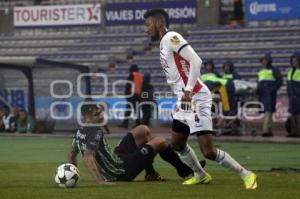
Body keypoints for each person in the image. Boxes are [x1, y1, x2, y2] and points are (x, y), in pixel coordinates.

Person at [143, 9, 257, 189]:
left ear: (159, 23)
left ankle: (247, 174)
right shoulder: (164, 44)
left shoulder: (171, 37)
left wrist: (188, 91)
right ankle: (200, 174)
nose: (146, 29)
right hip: (185, 100)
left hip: (195, 97)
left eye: (148, 24)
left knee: (208, 151)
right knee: (177, 144)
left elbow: (196, 61)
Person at [68, 104, 206, 184]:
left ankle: (150, 173)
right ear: (88, 116)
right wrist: (99, 181)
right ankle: (183, 170)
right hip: (121, 171)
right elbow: (88, 156)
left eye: (101, 113)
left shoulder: (79, 132)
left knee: (143, 130)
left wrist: (74, 173)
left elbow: (72, 153)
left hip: (117, 159)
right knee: (161, 141)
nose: (102, 116)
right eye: (97, 114)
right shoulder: (96, 132)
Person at [257, 53, 282, 137]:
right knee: (267, 111)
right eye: (262, 61)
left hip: (269, 94)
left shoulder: (274, 70)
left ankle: (265, 130)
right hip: (262, 94)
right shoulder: (261, 71)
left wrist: (272, 89)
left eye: (265, 60)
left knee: (268, 111)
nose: (263, 62)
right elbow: (259, 83)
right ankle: (269, 129)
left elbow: (279, 81)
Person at [121, 64, 144, 128]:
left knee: (128, 110)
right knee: (137, 111)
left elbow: (128, 85)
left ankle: (125, 124)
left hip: (131, 95)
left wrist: (126, 94)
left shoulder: (131, 75)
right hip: (138, 96)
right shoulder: (140, 76)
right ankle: (138, 124)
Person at [286, 52, 300, 137]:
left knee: (298, 114)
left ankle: (298, 132)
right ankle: (293, 132)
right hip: (291, 96)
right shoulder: (290, 71)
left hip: (298, 96)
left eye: (296, 60)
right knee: (292, 114)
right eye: (293, 61)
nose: (294, 62)